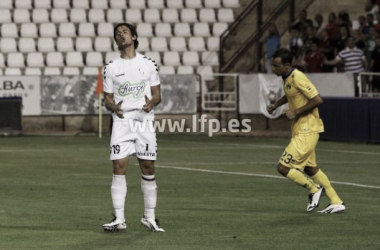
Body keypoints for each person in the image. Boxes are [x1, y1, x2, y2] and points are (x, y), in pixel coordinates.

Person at [101, 23, 165, 232]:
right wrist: (113, 106)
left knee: (148, 167)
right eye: (117, 33)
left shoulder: (148, 64)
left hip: (144, 121)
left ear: (134, 36)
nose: (120, 35)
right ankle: (119, 219)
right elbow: (107, 99)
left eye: (124, 31)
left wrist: (151, 102)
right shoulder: (111, 68)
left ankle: (150, 217)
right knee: (119, 167)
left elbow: (157, 94)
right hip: (121, 122)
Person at [266, 48, 346, 214]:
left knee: (283, 168)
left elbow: (317, 99)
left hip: (307, 129)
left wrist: (295, 112)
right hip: (301, 129)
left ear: (287, 65)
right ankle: (336, 201)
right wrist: (276, 105)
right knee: (311, 169)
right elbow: (290, 94)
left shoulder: (299, 77)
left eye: (276, 66)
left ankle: (314, 189)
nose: (273, 69)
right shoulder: (287, 78)